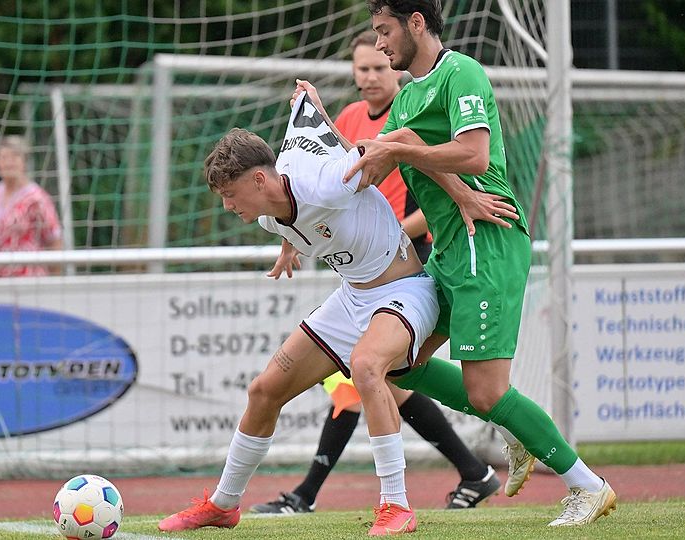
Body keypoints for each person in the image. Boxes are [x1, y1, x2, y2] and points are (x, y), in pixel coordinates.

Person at [158, 87, 497, 534]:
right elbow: (299, 212)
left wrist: (462, 195)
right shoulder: (268, 216)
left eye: (230, 193)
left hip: (405, 290)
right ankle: (224, 505)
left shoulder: (327, 181)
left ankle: (396, 506)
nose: (227, 205)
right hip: (352, 297)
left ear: (259, 180)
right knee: (264, 390)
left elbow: (402, 144)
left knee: (366, 368)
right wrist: (290, 244)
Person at [338, 0, 617, 527]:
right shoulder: (406, 98)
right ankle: (516, 428)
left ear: (416, 23)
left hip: (484, 243)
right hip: (448, 250)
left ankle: (588, 486)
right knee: (399, 366)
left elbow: (474, 155)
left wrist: (414, 156)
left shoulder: (460, 72)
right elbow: (390, 153)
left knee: (486, 391)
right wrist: (298, 206)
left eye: (384, 31)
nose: (379, 44)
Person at [249, 30, 498, 516]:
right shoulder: (347, 118)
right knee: (387, 383)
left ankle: (307, 495)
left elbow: (438, 181)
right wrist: (290, 239)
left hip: (408, 258)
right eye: (361, 69)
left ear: (395, 70)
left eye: (379, 67)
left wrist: (398, 232)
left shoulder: (412, 113)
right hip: (364, 266)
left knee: (360, 380)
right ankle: (474, 471)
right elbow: (306, 190)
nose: (369, 76)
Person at [0, 135, 63, 277]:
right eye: (3, 157)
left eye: (14, 156)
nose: (9, 162)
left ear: (24, 161)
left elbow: (54, 239)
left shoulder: (36, 198)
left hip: (29, 276)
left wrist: (55, 279)